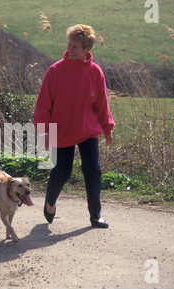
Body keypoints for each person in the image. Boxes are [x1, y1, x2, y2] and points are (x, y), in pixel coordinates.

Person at [34, 24, 114, 228]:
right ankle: (50, 203)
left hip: (87, 130)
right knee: (63, 172)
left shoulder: (95, 72)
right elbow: (43, 106)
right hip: (61, 131)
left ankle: (96, 216)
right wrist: (43, 133)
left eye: (76, 47)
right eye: (69, 45)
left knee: (92, 170)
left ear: (87, 50)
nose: (70, 49)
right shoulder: (55, 71)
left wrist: (107, 128)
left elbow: (101, 104)